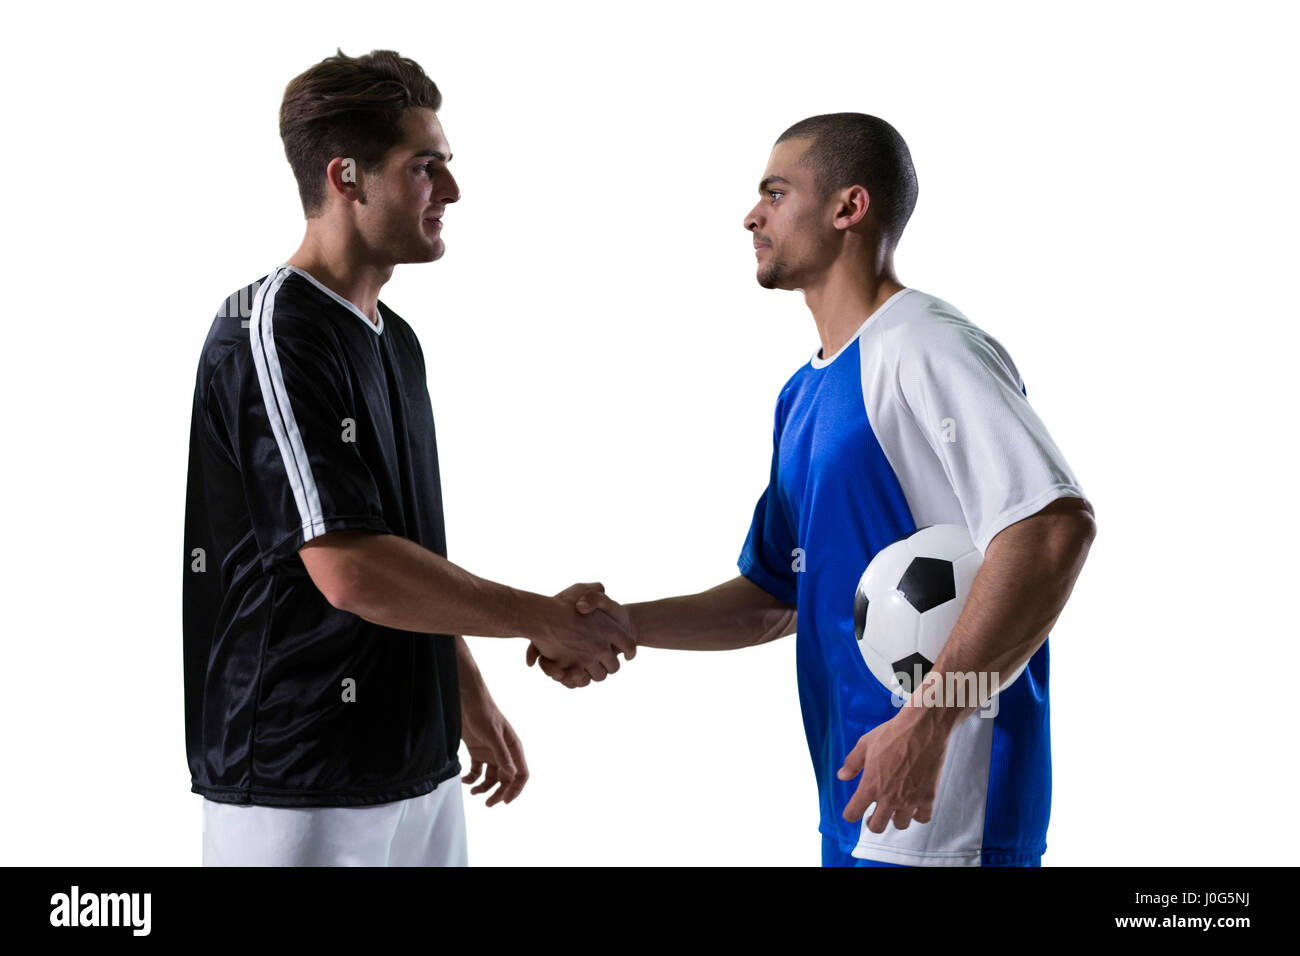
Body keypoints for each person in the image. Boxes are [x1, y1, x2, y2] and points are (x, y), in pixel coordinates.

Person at [530, 113, 1097, 867]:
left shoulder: (924, 346)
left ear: (848, 208)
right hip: (858, 803)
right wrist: (619, 624)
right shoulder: (804, 394)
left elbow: (1053, 528)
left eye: (775, 192)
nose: (751, 216)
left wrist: (928, 723)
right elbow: (774, 596)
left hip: (947, 812)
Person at [182, 49, 634, 867]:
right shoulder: (272, 330)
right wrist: (541, 616)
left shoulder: (395, 341)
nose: (451, 192)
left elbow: (397, 545)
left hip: (417, 770)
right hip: (301, 779)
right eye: (427, 168)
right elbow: (348, 568)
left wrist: (460, 690)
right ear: (346, 177)